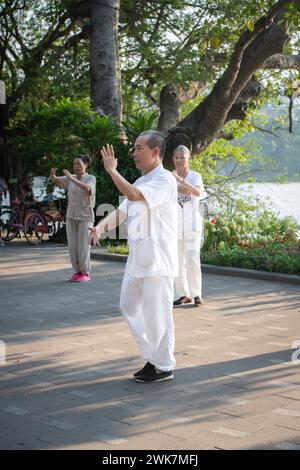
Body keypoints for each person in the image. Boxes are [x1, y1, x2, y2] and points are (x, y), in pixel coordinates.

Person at [89, 131, 178, 383]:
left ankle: (163, 366)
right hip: (138, 258)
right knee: (128, 305)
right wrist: (99, 228)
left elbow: (133, 196)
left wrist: (112, 171)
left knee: (157, 314)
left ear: (155, 152)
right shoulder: (141, 182)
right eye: (135, 148)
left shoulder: (165, 180)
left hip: (158, 261)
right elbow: (121, 211)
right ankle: (154, 357)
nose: (135, 153)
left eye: (139, 148)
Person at [49, 155, 96, 282]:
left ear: (86, 165)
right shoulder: (70, 178)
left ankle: (85, 272)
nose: (76, 166)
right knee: (73, 246)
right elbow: (57, 181)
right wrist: (53, 176)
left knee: (83, 247)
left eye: (78, 164)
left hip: (85, 217)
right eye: (74, 164)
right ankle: (77, 271)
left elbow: (88, 189)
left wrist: (71, 178)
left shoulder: (91, 178)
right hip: (71, 216)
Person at [172, 145, 205, 307]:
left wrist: (181, 181)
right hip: (174, 225)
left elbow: (198, 193)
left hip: (192, 225)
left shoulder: (195, 176)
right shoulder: (169, 176)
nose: (179, 160)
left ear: (188, 158)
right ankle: (184, 294)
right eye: (176, 157)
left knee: (191, 259)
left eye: (182, 157)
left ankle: (196, 293)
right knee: (177, 261)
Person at [0, 177, 8, 246]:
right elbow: (5, 188)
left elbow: (5, 188)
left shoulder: (1, 180)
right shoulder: (1, 180)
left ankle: (0, 239)